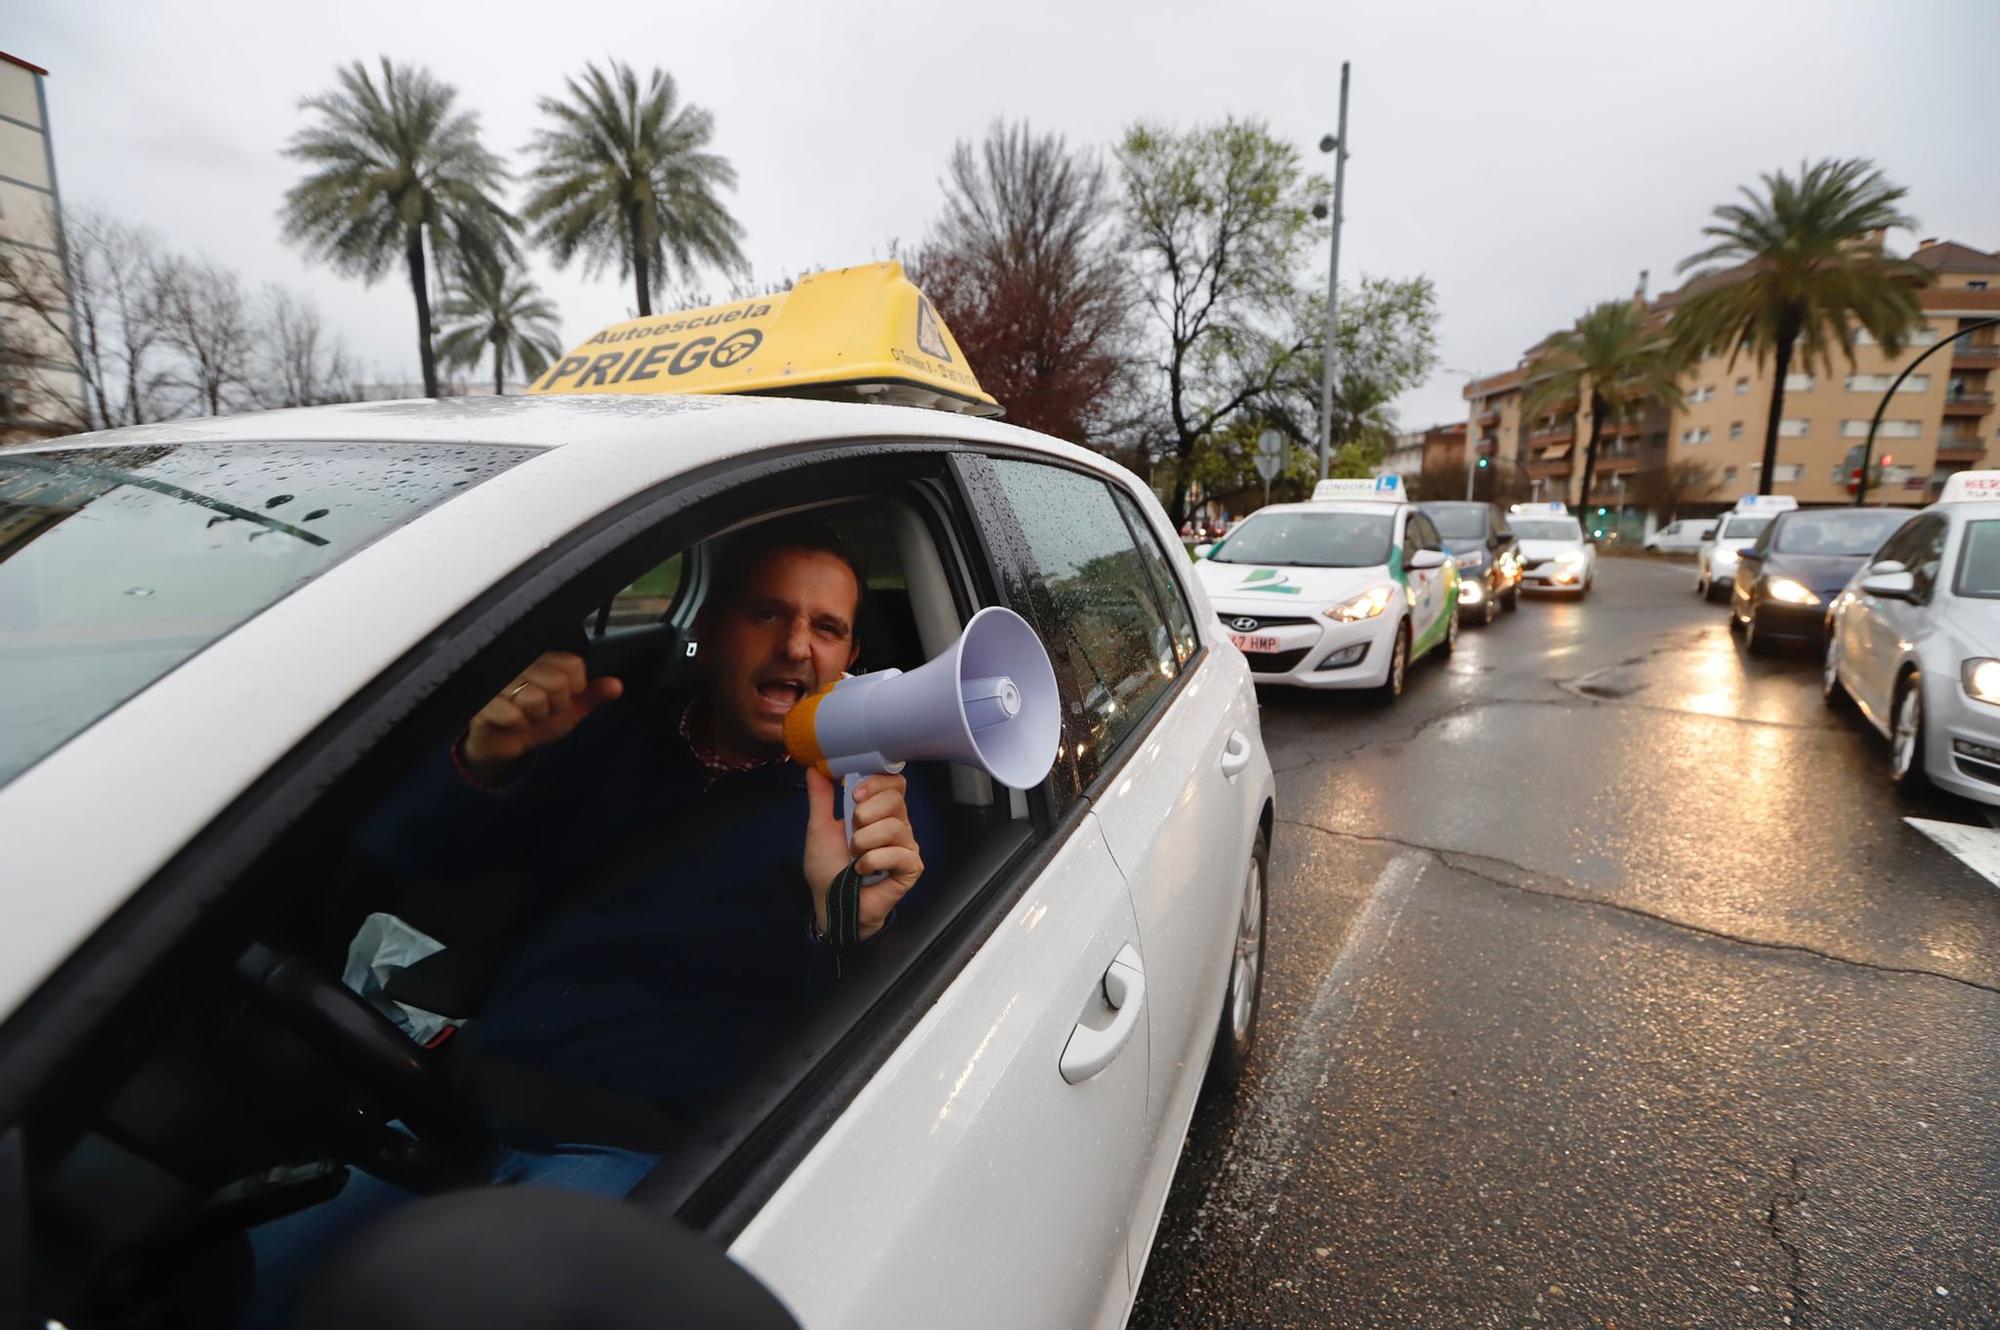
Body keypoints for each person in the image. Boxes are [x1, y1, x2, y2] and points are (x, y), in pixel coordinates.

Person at [241, 518, 938, 1328]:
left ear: (849, 659)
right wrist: (483, 761)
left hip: (626, 1151)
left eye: (827, 628)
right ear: (710, 632)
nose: (795, 647)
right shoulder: (607, 731)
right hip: (459, 1096)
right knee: (246, 1284)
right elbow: (414, 862)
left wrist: (848, 923)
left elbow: (880, 1023)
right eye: (767, 614)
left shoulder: (877, 805)